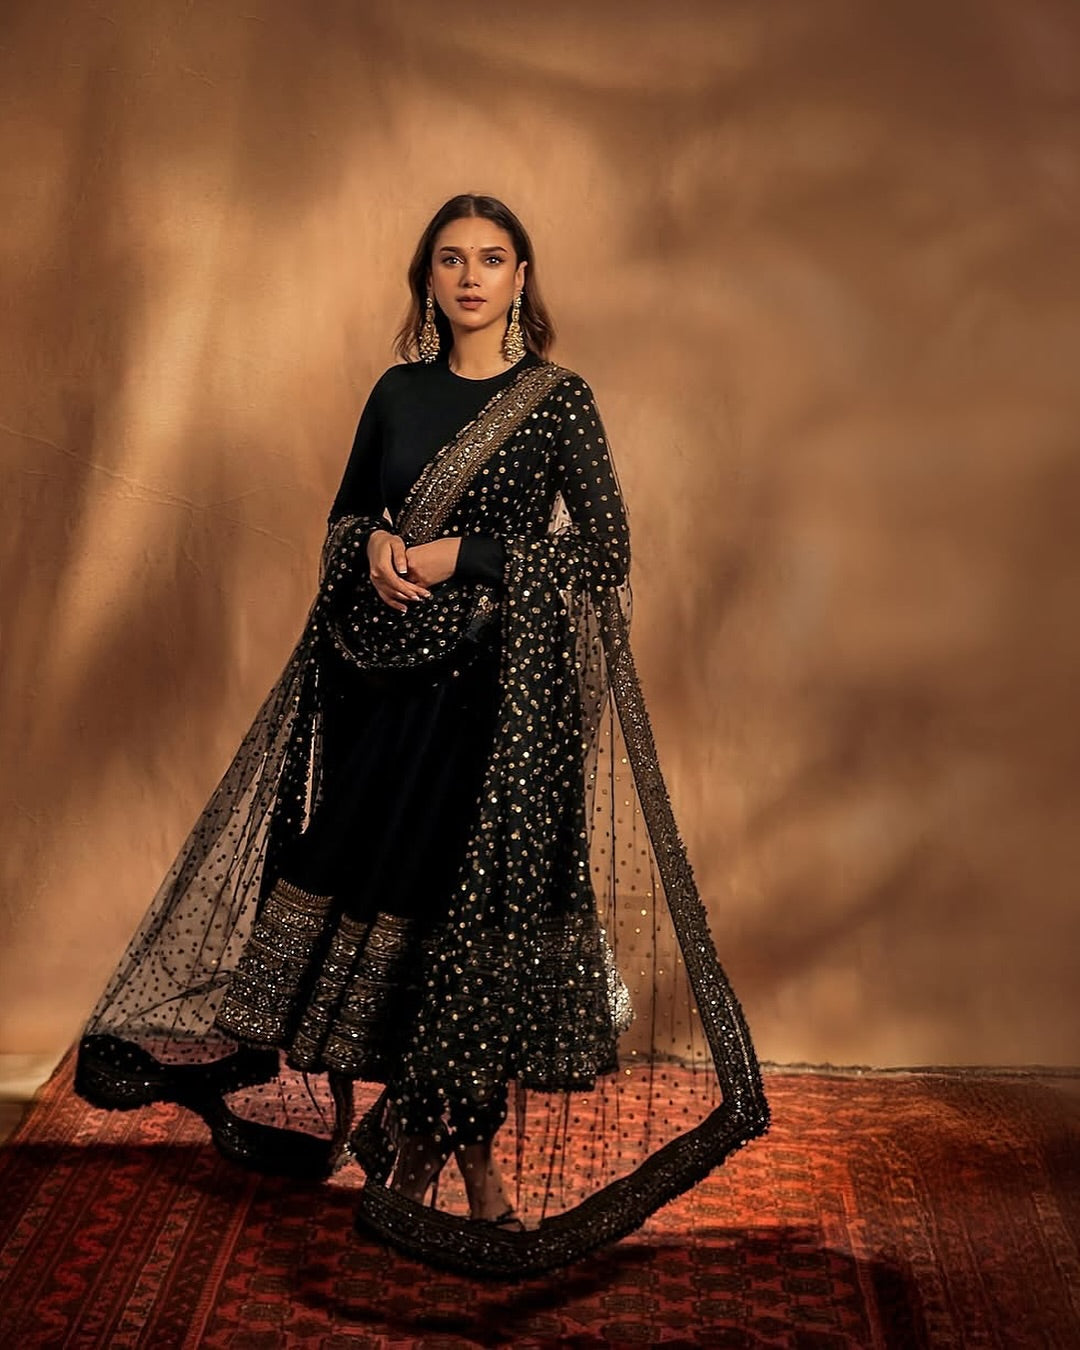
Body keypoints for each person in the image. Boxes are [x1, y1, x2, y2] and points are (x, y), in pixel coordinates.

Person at [75, 193, 769, 1277]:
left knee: (474, 929)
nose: (472, 277)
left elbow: (605, 555)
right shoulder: (396, 394)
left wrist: (465, 558)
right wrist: (372, 549)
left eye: (492, 258)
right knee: (400, 919)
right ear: (427, 281)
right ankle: (439, 1156)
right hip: (387, 700)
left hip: (502, 715)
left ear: (523, 278)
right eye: (451, 259)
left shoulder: (558, 403)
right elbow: (347, 519)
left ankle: (456, 1160)